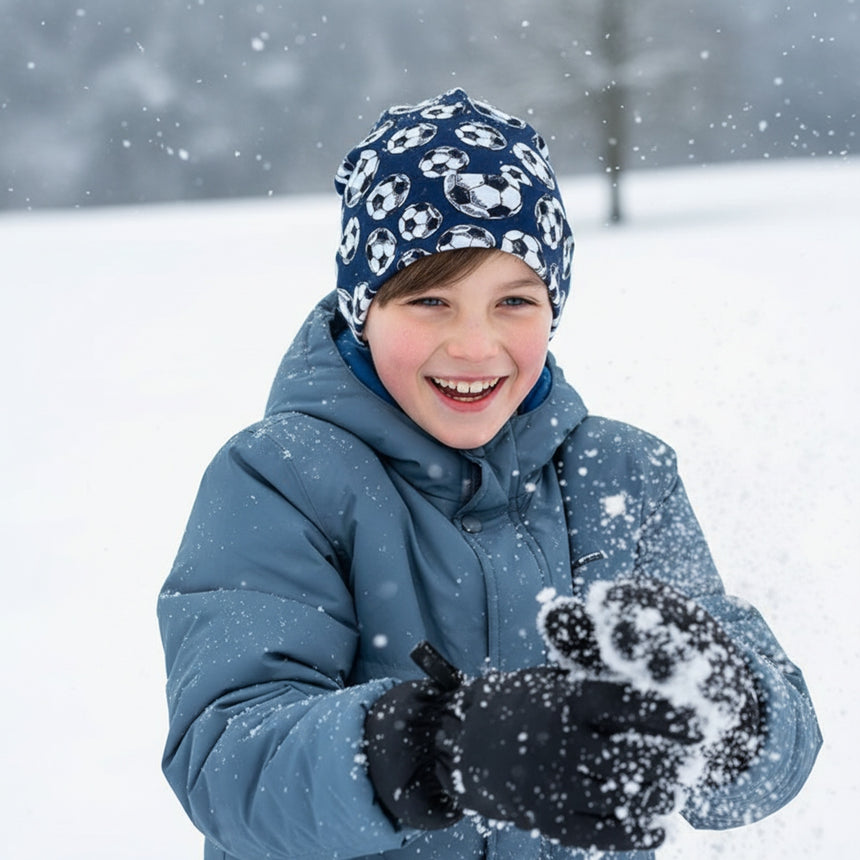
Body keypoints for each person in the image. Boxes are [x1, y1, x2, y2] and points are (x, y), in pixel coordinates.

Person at [158, 89, 821, 860]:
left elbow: (777, 751)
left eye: (514, 300)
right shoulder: (281, 479)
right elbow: (229, 756)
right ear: (363, 306)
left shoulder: (624, 475)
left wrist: (728, 709)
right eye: (430, 299)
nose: (475, 347)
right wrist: (442, 749)